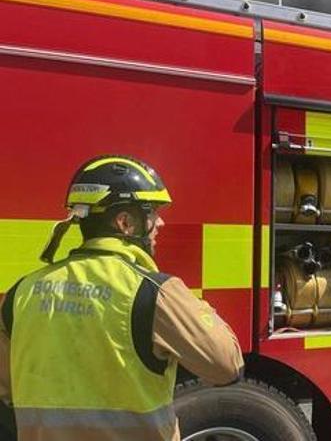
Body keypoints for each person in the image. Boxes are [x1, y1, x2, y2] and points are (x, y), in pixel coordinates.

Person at [0, 156, 244, 441]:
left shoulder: (22, 291)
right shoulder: (154, 292)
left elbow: (8, 386)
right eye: (152, 212)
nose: (160, 223)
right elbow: (227, 367)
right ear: (125, 222)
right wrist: (194, 307)